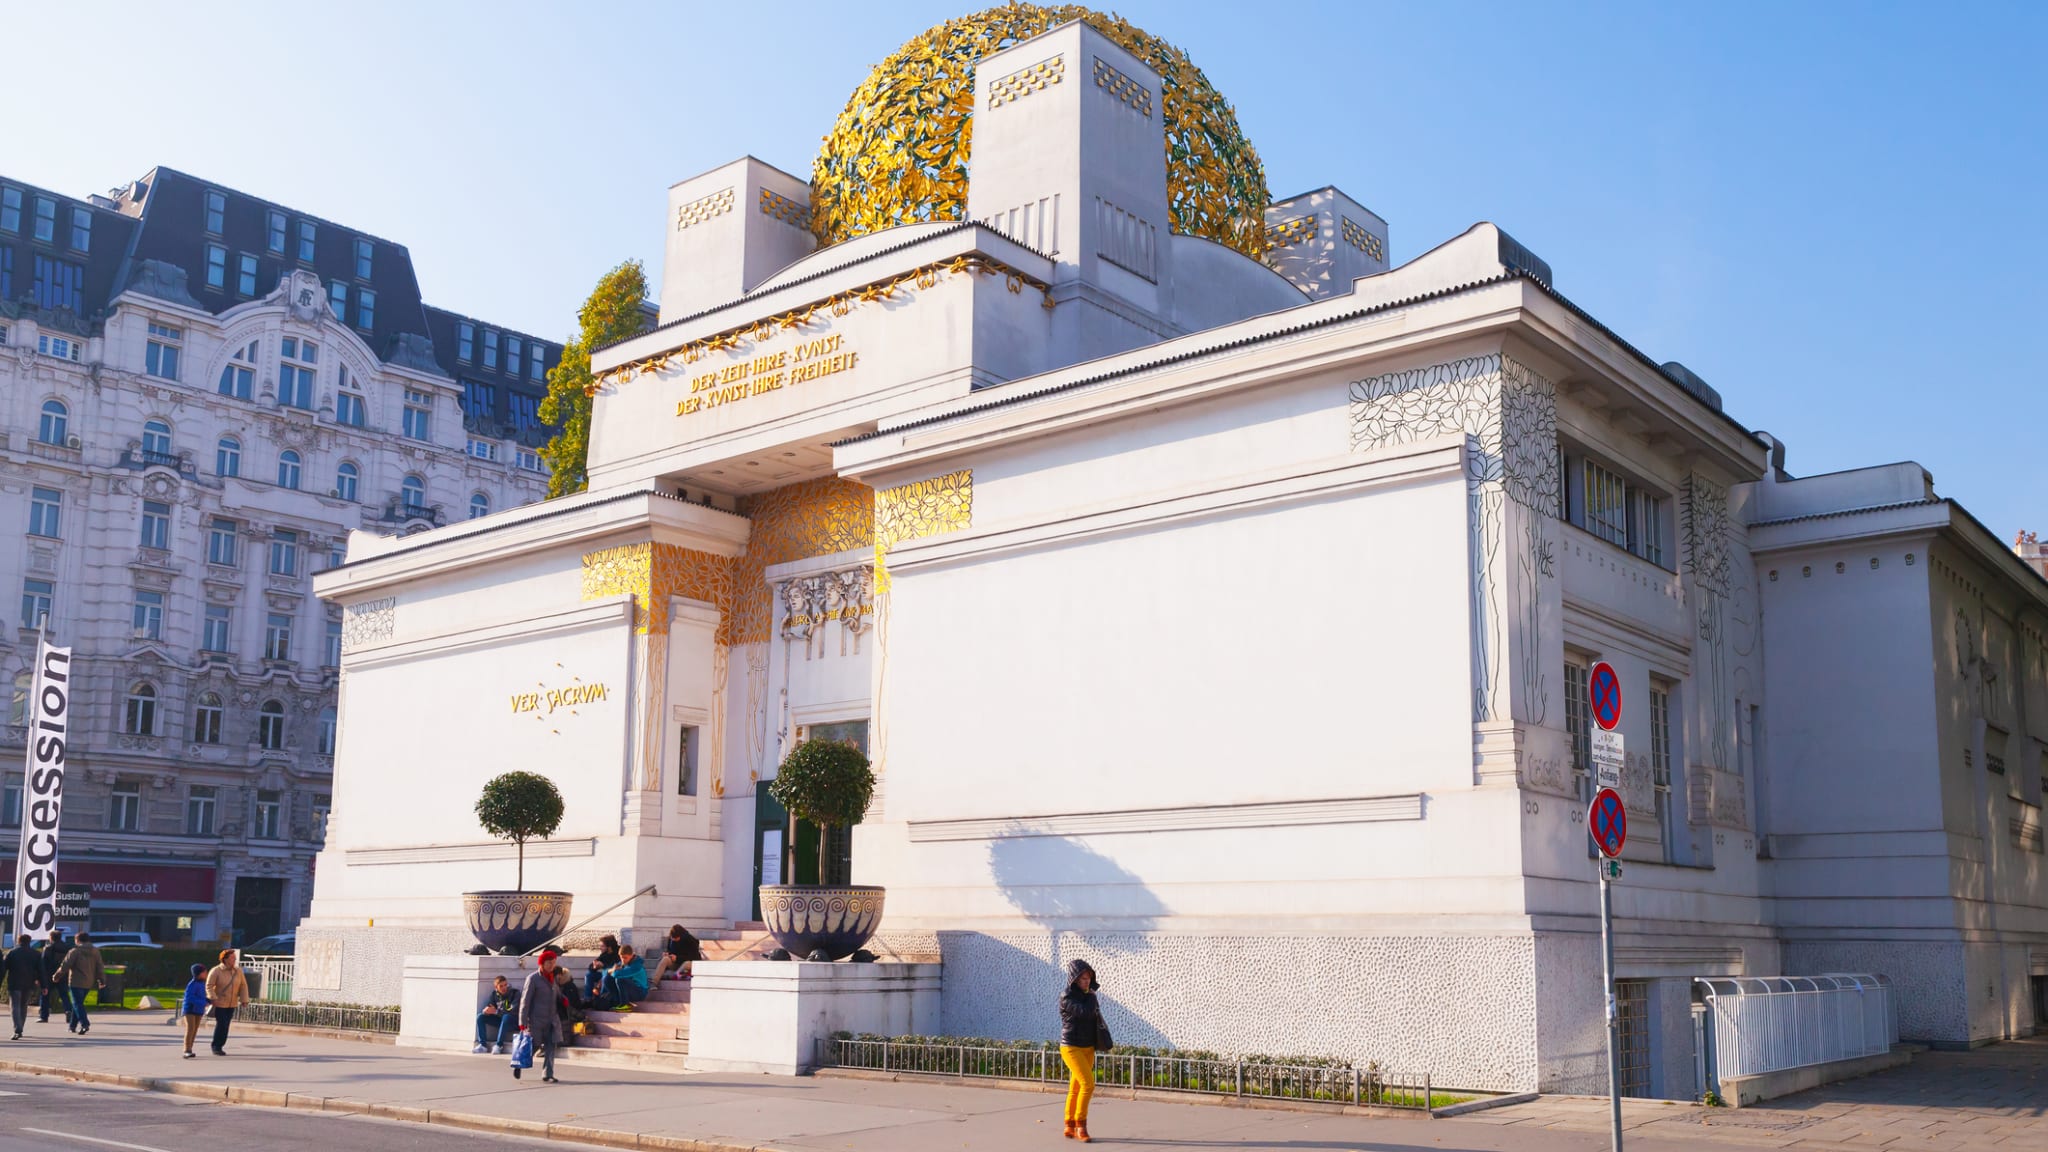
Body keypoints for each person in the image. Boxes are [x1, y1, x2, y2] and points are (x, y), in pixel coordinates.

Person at [1058, 959, 1108, 1143]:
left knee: (1076, 1087)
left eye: (1089, 978)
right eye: (1083, 978)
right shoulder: (1066, 997)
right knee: (1088, 1084)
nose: (1087, 982)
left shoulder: (1089, 996)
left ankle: (1069, 1124)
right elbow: (1085, 1013)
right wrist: (1092, 997)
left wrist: (1091, 996)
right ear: (1074, 979)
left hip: (1088, 1046)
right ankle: (1081, 1125)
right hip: (1071, 1047)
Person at [517, 949, 565, 1083]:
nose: (551, 966)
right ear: (542, 963)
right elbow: (525, 1001)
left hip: (552, 1019)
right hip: (536, 1020)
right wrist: (522, 1021)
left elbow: (557, 993)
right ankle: (519, 1063)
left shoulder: (553, 978)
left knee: (551, 1046)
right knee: (534, 1046)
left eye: (553, 963)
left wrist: (563, 999)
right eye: (549, 963)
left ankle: (548, 1074)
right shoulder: (533, 979)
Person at [54, 931, 104, 1035]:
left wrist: (56, 976)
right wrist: (101, 979)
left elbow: (65, 965)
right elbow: (100, 966)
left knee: (77, 1003)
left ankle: (84, 1024)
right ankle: (72, 1026)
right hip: (89, 981)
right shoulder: (95, 951)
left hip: (76, 981)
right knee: (77, 1004)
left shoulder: (75, 951)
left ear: (77, 940)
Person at [204, 949, 251, 1055]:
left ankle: (221, 1045)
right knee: (221, 1024)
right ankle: (216, 1046)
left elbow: (243, 986)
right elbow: (209, 986)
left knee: (226, 1025)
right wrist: (213, 998)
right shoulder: (216, 970)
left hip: (232, 1002)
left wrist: (244, 1000)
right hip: (219, 1003)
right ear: (225, 959)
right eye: (232, 957)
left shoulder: (238, 971)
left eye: (235, 957)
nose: (234, 959)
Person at [4, 934, 45, 1040]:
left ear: (19, 941)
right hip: (29, 983)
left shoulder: (12, 953)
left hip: (14, 983)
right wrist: (44, 985)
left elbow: (4, 968)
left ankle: (17, 1028)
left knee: (15, 1006)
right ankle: (20, 1026)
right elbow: (41, 970)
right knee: (23, 1006)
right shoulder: (36, 954)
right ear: (29, 941)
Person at [474, 974, 519, 1054]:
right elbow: (490, 1006)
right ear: (496, 987)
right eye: (501, 986)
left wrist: (496, 1012)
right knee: (480, 1017)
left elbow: (512, 1011)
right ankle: (483, 1045)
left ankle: (499, 1045)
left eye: (505, 985)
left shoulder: (514, 993)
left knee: (506, 1017)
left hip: (513, 1022)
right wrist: (486, 1010)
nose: (504, 988)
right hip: (501, 1021)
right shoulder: (495, 995)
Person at [594, 945, 648, 1010]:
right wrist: (611, 970)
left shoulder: (637, 966)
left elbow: (618, 974)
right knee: (607, 979)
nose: (623, 960)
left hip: (640, 992)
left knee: (620, 979)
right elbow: (605, 972)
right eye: (621, 957)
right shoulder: (622, 963)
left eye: (625, 958)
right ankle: (616, 1002)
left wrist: (613, 971)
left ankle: (625, 1005)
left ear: (631, 955)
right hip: (628, 990)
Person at [39, 930, 70, 1025]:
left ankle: (44, 1016)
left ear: (51, 937)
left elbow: (43, 964)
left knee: (45, 995)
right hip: (62, 975)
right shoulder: (67, 948)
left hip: (49, 975)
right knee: (64, 995)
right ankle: (68, 1011)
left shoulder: (48, 948)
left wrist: (41, 977)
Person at [179, 964, 209, 1058]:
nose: (206, 973)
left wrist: (209, 1000)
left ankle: (190, 1048)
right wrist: (203, 1003)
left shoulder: (202, 983)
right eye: (204, 972)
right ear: (199, 974)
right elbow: (189, 997)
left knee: (195, 1029)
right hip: (190, 1009)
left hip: (198, 1010)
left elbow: (203, 995)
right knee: (190, 1028)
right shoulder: (192, 984)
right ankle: (186, 1050)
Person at [584, 935, 620, 1001]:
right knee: (589, 975)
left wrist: (603, 965)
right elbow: (591, 967)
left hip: (614, 977)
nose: (600, 948)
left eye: (602, 946)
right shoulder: (604, 954)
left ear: (609, 947)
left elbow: (616, 967)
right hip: (604, 974)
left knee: (604, 977)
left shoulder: (618, 953)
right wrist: (594, 967)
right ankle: (588, 999)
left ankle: (602, 999)